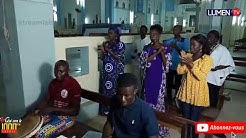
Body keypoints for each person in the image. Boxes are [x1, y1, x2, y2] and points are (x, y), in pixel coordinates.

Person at [30, 60, 81, 138]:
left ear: (68, 71)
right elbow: (46, 100)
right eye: (56, 71)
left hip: (68, 117)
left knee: (39, 135)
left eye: (61, 71)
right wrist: (34, 109)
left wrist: (52, 109)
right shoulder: (53, 83)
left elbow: (75, 110)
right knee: (30, 126)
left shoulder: (73, 85)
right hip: (52, 114)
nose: (57, 74)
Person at [102, 73, 160, 138]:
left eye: (126, 95)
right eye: (119, 94)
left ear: (135, 91)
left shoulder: (145, 110)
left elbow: (153, 136)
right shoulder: (115, 100)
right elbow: (109, 123)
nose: (122, 99)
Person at [176, 34, 212, 138]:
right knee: (186, 119)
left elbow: (201, 76)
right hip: (187, 91)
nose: (191, 47)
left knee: (194, 120)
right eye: (190, 45)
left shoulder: (207, 59)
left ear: (201, 46)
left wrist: (191, 65)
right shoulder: (189, 56)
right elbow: (179, 71)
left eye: (194, 45)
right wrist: (183, 62)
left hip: (198, 93)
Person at [140, 24, 171, 137]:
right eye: (151, 34)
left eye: (155, 34)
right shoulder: (147, 48)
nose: (153, 36)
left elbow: (166, 65)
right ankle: (148, 127)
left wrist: (162, 53)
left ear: (159, 35)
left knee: (159, 102)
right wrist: (157, 52)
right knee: (147, 101)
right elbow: (144, 62)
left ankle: (159, 128)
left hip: (160, 78)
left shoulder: (166, 47)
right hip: (149, 78)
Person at [98, 25, 126, 115]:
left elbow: (119, 58)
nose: (109, 35)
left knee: (116, 90)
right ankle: (106, 111)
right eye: (108, 33)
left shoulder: (120, 45)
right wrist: (102, 51)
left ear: (116, 35)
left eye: (111, 33)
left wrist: (108, 50)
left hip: (116, 72)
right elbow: (102, 58)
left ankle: (116, 111)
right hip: (107, 73)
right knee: (106, 90)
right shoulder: (106, 44)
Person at [206, 30, 235, 108]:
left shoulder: (222, 49)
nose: (208, 38)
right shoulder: (206, 47)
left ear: (216, 39)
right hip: (206, 74)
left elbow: (229, 63)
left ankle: (212, 109)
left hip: (215, 75)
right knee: (205, 93)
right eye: (208, 36)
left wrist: (217, 68)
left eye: (211, 37)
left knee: (213, 94)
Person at [164, 25, 189, 105]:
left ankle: (176, 99)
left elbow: (185, 54)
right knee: (169, 83)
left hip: (179, 66)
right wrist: (169, 48)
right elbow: (165, 51)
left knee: (178, 84)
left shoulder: (184, 41)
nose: (175, 30)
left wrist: (176, 47)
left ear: (180, 31)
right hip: (170, 66)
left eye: (177, 29)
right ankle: (168, 98)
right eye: (174, 29)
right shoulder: (169, 40)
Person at [131, 25, 151, 95]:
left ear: (146, 32)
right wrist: (136, 54)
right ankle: (138, 93)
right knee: (136, 79)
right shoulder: (136, 41)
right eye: (141, 30)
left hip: (145, 64)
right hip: (136, 63)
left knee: (144, 78)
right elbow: (132, 52)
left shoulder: (149, 41)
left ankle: (143, 93)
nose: (142, 32)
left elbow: (150, 53)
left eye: (143, 30)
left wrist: (143, 55)